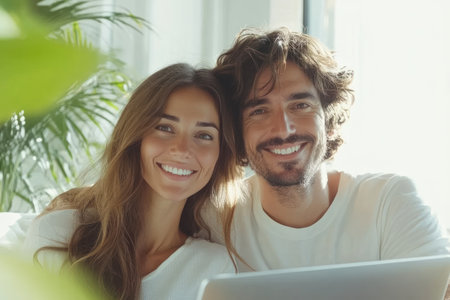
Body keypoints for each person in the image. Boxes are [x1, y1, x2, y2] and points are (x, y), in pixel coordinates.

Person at [204, 27, 449, 272]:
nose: (283, 129)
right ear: (236, 132)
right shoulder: (215, 222)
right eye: (259, 111)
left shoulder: (389, 203)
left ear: (329, 120)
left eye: (300, 105)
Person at [22, 63, 242, 299]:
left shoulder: (215, 269)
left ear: (220, 155)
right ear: (136, 137)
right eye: (165, 128)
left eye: (204, 135)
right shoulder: (57, 235)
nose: (182, 150)